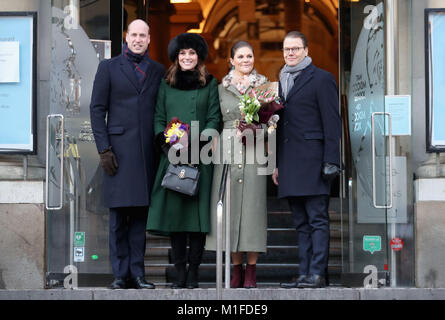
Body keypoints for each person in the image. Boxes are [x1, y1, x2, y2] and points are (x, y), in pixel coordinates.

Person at [89, 19, 165, 289]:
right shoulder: (108, 68)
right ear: (126, 37)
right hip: (117, 154)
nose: (138, 39)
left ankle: (139, 274)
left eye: (142, 35)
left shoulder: (157, 70)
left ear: (148, 39)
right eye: (133, 34)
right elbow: (97, 109)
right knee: (119, 218)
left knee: (140, 218)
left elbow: (162, 109)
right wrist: (104, 149)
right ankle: (120, 275)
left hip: (146, 153)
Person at [146, 33, 221, 289]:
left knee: (196, 221)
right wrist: (167, 143)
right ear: (176, 57)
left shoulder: (210, 83)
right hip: (172, 158)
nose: (187, 57)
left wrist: (195, 139)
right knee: (176, 220)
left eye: (191, 53)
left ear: (198, 57)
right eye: (182, 53)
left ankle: (194, 273)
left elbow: (214, 119)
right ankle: (179, 272)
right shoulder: (166, 84)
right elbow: (158, 117)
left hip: (200, 159)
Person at [273, 31, 341, 288]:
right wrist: (277, 164)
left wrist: (331, 160)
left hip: (314, 161)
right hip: (290, 162)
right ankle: (304, 273)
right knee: (301, 223)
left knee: (317, 219)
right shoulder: (279, 82)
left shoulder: (322, 78)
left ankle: (317, 274)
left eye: (295, 49)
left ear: (306, 50)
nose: (290, 53)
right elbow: (280, 127)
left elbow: (332, 123)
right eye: (286, 49)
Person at [205, 41, 268, 289]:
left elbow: (272, 120)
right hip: (227, 151)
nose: (245, 60)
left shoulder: (264, 87)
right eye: (240, 56)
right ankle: (235, 269)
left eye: (249, 56)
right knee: (229, 209)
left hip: (254, 151)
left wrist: (260, 129)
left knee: (253, 210)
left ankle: (251, 270)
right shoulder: (220, 89)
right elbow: (214, 120)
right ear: (231, 60)